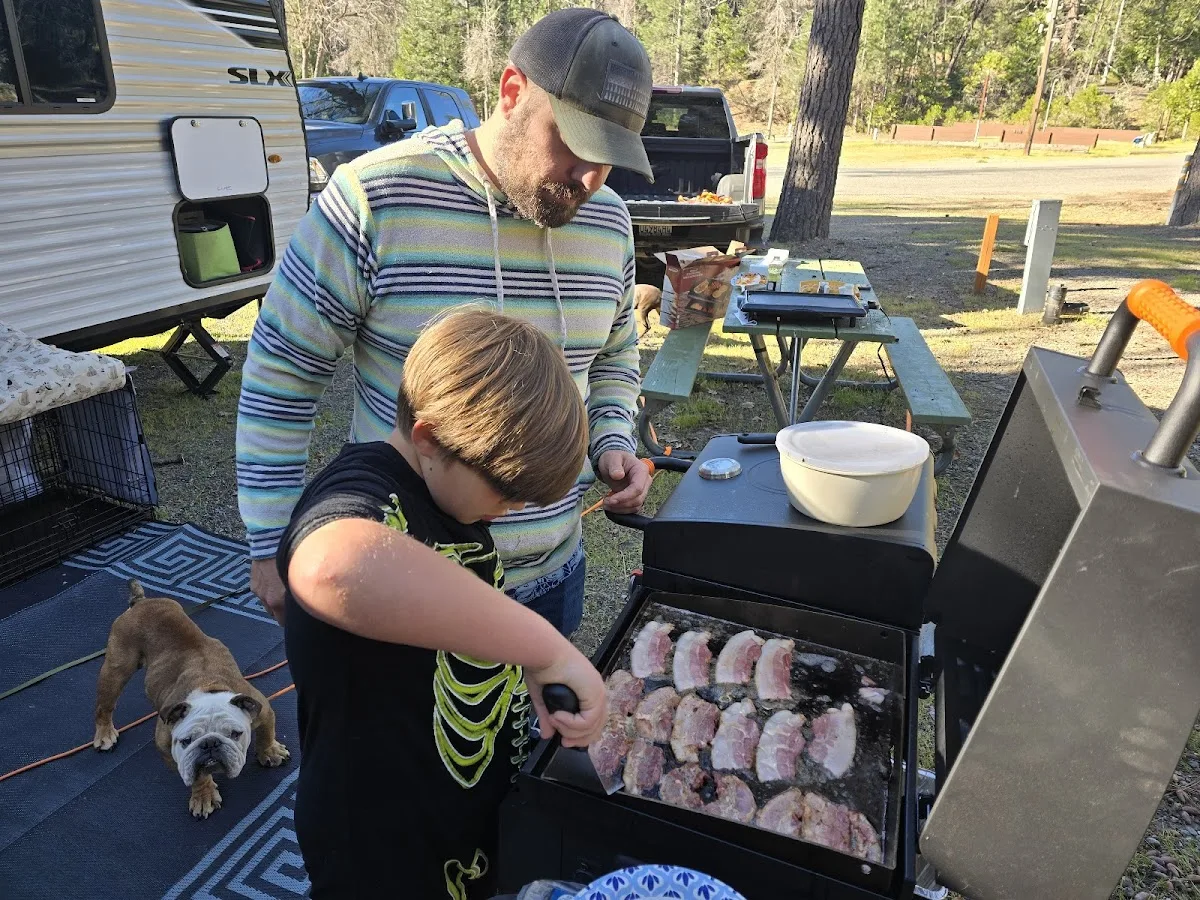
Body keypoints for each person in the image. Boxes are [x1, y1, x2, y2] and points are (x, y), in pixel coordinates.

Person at [237, 7, 656, 635]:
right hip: (408, 585)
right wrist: (271, 545)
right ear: (512, 92)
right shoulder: (376, 197)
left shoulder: (608, 222)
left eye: (610, 158)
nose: (590, 178)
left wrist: (613, 440)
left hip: (552, 577)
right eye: (574, 143)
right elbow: (280, 379)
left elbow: (616, 354)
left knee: (533, 738)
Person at [279, 307, 608, 899]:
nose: (508, 512)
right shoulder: (365, 491)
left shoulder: (452, 496)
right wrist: (545, 650)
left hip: (458, 823)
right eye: (504, 492)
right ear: (429, 439)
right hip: (380, 848)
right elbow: (331, 565)